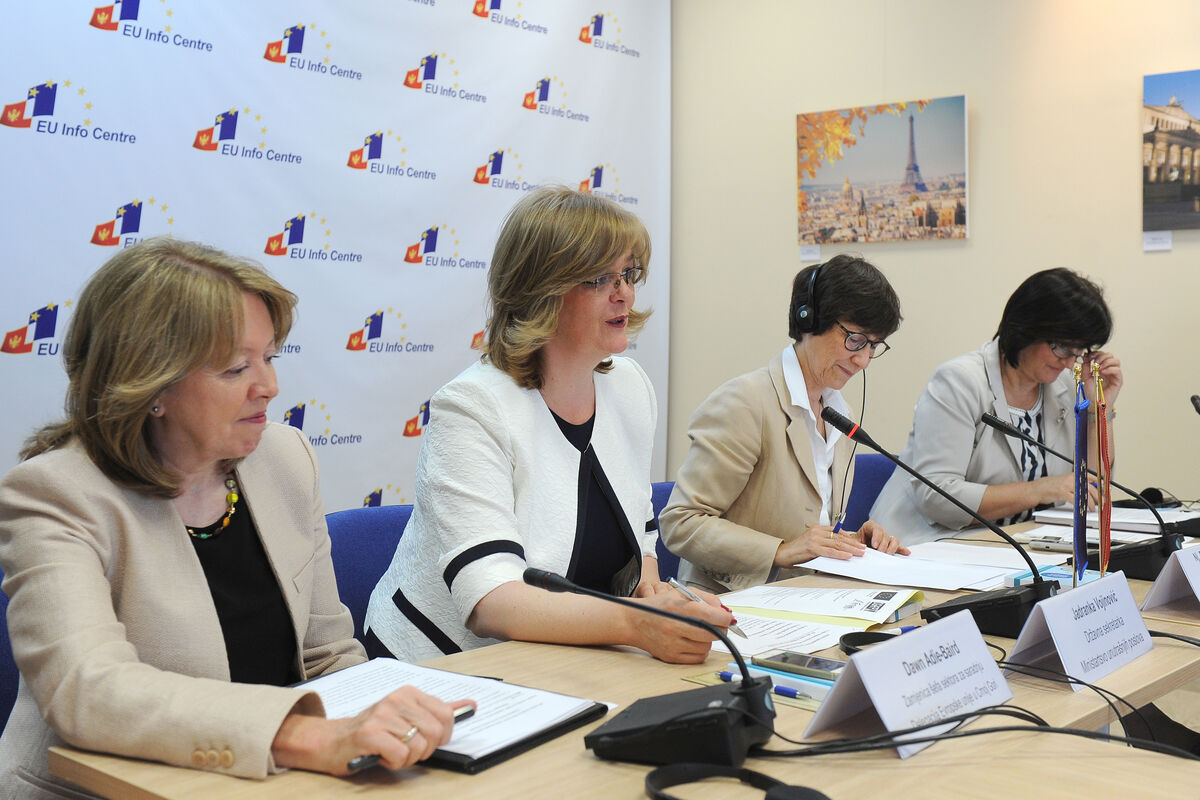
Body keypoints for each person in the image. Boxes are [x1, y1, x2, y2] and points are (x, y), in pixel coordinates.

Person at [0, 238, 470, 797]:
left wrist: (384, 728)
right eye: (235, 368)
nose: (269, 386)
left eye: (269, 357)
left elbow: (327, 654)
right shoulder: (56, 494)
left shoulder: (284, 458)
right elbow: (90, 691)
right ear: (149, 384)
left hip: (273, 778)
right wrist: (304, 737)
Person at [364, 186, 733, 665]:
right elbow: (491, 600)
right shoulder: (472, 407)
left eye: (628, 274)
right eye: (600, 278)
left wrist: (655, 598)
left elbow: (638, 530)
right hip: (444, 668)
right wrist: (635, 622)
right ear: (541, 291)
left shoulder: (629, 387)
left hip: (567, 659)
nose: (624, 293)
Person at [660, 255, 908, 594]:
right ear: (810, 320)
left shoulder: (840, 413)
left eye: (873, 346)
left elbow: (805, 530)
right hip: (730, 601)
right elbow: (681, 522)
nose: (863, 360)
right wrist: (779, 551)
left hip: (803, 597)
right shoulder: (746, 402)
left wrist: (851, 542)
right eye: (855, 339)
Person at [869, 267, 1122, 545]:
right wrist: (1039, 491)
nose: (1070, 361)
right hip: (933, 544)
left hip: (1017, 546)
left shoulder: (1064, 385)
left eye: (1079, 351)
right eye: (1062, 346)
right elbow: (937, 497)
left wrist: (1099, 409)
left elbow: (1093, 487)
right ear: (1027, 327)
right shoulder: (959, 382)